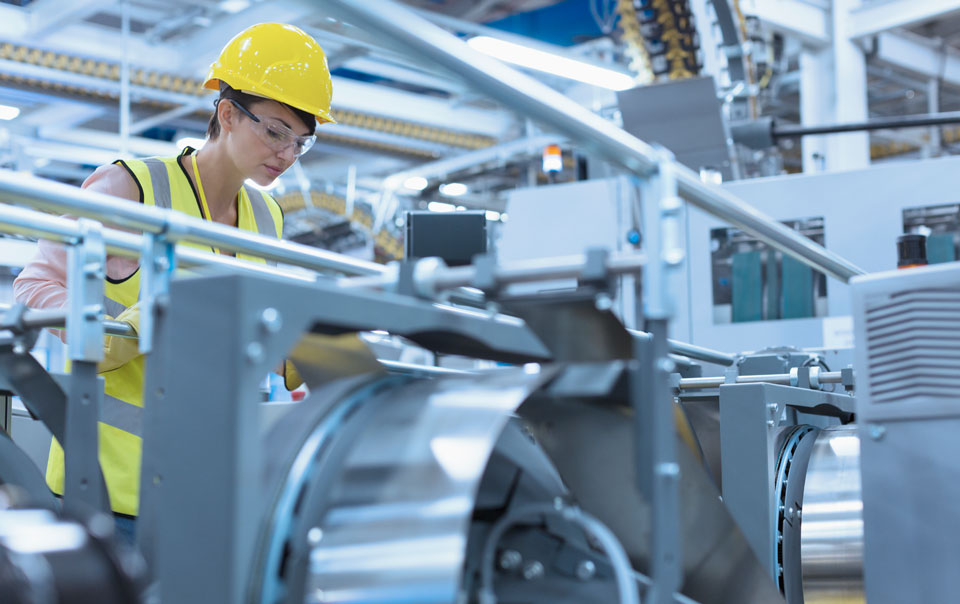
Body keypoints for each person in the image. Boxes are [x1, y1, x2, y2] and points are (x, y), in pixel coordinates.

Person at [12, 22, 334, 541]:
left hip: (208, 484)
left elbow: (239, 326)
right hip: (109, 489)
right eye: (276, 132)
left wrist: (302, 348)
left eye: (302, 142)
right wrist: (109, 333)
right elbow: (35, 283)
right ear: (227, 114)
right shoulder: (129, 188)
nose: (286, 155)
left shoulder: (267, 215)